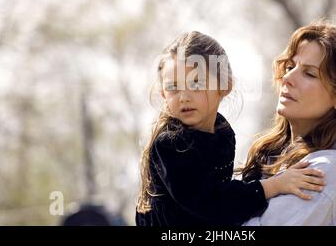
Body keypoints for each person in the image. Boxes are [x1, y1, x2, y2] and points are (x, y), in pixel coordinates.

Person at [135, 31, 325, 226]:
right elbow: (210, 204)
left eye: (196, 84)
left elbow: (224, 195)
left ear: (225, 86)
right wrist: (273, 185)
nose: (184, 96)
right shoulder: (170, 143)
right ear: (163, 94)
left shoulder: (223, 134)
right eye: (174, 87)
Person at [242, 22, 336, 226]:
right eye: (289, 67)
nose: (287, 78)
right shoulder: (274, 157)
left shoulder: (326, 171)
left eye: (309, 74)